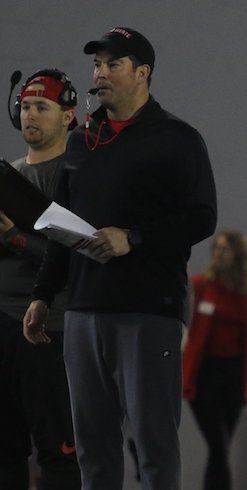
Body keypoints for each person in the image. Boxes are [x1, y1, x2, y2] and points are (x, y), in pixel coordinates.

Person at [23, 26, 217, 490]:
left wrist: (135, 237)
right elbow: (61, 227)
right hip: (84, 313)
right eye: (97, 65)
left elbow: (202, 218)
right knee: (92, 448)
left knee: (153, 447)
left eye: (113, 64)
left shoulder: (177, 138)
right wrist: (44, 295)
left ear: (142, 73)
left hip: (147, 312)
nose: (100, 73)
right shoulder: (80, 142)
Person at [0, 69, 81, 490]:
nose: (30, 115)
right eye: (26, 107)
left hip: (51, 328)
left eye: (42, 107)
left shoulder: (75, 175)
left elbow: (78, 254)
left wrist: (13, 237)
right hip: (3, 323)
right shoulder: (9, 173)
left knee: (59, 451)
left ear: (68, 116)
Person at [182, 230, 247, 490]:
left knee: (220, 447)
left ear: (237, 255)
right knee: (218, 444)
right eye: (215, 248)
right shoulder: (201, 287)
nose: (217, 253)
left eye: (224, 249)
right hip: (204, 375)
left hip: (234, 376)